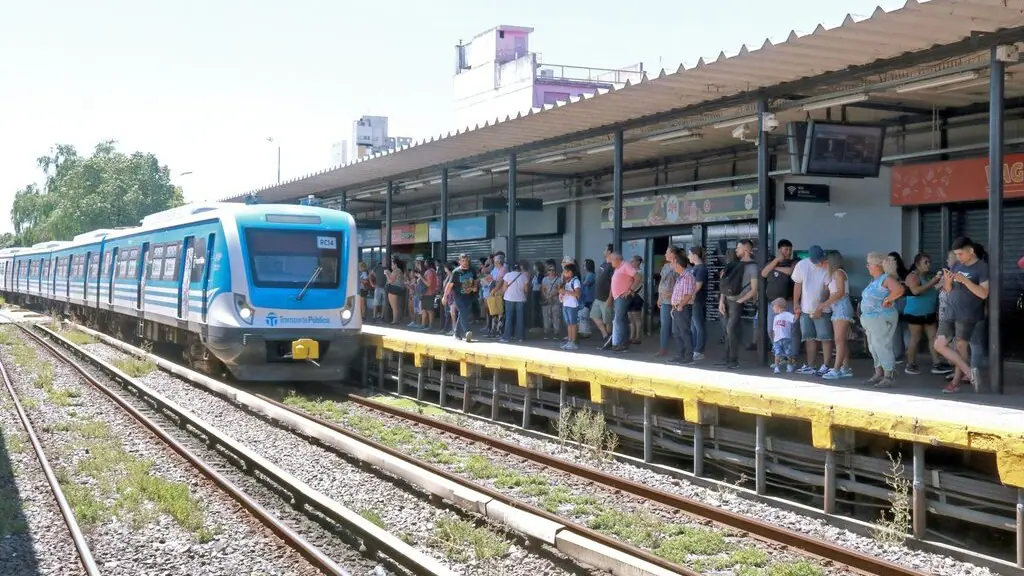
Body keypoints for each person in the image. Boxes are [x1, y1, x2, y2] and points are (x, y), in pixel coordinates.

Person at [934, 236, 989, 393]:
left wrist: (965, 281)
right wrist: (948, 280)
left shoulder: (982, 268)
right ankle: (969, 371)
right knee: (939, 344)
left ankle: (955, 383)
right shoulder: (957, 265)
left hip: (968, 313)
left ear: (971, 251)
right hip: (949, 311)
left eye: (961, 254)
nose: (958, 258)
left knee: (960, 346)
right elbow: (949, 289)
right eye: (956, 254)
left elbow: (984, 293)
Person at [860, 252, 905, 388]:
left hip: (881, 317)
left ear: (877, 266)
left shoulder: (885, 278)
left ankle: (888, 375)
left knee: (882, 345)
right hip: (872, 319)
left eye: (869, 264)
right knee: (874, 346)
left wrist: (888, 299)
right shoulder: (875, 280)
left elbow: (899, 289)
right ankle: (878, 373)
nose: (867, 266)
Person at [717, 240, 758, 370]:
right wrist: (721, 301)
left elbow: (754, 289)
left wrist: (741, 300)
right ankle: (726, 358)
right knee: (727, 330)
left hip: (737, 302)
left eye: (738, 248)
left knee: (731, 330)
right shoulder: (734, 264)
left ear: (746, 250)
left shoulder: (753, 267)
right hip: (727, 300)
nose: (736, 250)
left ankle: (733, 360)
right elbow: (725, 284)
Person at [792, 245, 833, 376]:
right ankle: (810, 365)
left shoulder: (827, 266)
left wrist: (820, 307)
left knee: (825, 338)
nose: (820, 263)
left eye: (821, 260)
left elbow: (827, 289)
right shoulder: (802, 265)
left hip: (823, 309)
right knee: (809, 338)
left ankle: (826, 365)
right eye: (817, 261)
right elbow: (797, 284)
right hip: (805, 308)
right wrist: (795, 303)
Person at [902, 253, 942, 375]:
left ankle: (937, 363)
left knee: (933, 338)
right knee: (915, 338)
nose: (928, 265)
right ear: (917, 264)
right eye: (925, 262)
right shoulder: (912, 276)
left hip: (929, 312)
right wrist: (934, 282)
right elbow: (915, 291)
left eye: (929, 262)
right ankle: (910, 364)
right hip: (915, 313)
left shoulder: (928, 276)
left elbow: (932, 291)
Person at [819, 251, 853, 380]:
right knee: (841, 340)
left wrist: (825, 304)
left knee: (839, 340)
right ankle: (845, 367)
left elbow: (840, 292)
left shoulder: (838, 273)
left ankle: (837, 368)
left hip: (841, 307)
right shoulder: (835, 274)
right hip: (838, 307)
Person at [761, 239, 798, 344]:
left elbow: (790, 271)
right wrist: (776, 262)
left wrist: (774, 268)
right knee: (771, 329)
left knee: (790, 329)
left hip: (788, 302)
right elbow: (764, 273)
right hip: (773, 303)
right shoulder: (771, 262)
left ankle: (791, 355)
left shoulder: (794, 261)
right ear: (779, 249)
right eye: (786, 249)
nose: (789, 252)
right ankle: (778, 352)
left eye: (790, 250)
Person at [604, 252, 638, 353]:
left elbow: (638, 277)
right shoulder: (618, 268)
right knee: (622, 320)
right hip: (617, 297)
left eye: (612, 260)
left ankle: (619, 344)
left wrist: (630, 290)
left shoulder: (626, 265)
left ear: (617, 259)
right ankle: (623, 343)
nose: (611, 263)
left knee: (618, 320)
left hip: (623, 297)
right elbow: (613, 284)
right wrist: (610, 298)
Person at [441, 254, 478, 342]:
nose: (465, 262)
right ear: (460, 261)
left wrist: (475, 287)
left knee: (462, 314)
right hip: (458, 297)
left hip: (469, 296)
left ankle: (456, 333)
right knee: (463, 312)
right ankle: (467, 332)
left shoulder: (472, 270)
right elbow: (449, 285)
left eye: (466, 260)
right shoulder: (456, 272)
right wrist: (444, 297)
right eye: (463, 261)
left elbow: (475, 280)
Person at [669, 255, 695, 364]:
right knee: (676, 333)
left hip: (683, 308)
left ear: (678, 264)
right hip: (677, 308)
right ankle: (680, 355)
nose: (672, 265)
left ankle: (689, 357)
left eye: (673, 263)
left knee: (684, 332)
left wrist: (680, 306)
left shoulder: (688, 276)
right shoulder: (680, 277)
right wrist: (674, 307)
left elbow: (688, 294)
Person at [656, 247, 681, 357]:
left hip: (676, 300)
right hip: (665, 301)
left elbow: (681, 284)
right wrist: (659, 297)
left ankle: (681, 350)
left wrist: (672, 294)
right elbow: (661, 282)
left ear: (672, 254)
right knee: (664, 325)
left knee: (677, 327)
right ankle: (663, 349)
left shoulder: (679, 266)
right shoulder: (665, 266)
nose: (665, 254)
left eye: (667, 252)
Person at [590, 245, 615, 344]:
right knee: (593, 315)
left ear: (609, 251)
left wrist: (610, 298)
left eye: (605, 249)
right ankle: (605, 335)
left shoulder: (611, 266)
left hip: (606, 298)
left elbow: (613, 283)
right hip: (598, 297)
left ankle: (611, 340)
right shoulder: (603, 264)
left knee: (607, 320)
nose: (603, 251)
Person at [687, 247, 709, 361]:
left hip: (697, 300)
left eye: (689, 254)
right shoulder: (695, 268)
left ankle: (699, 350)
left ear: (695, 255)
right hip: (693, 300)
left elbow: (697, 286)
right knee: (693, 326)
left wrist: (688, 296)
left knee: (698, 326)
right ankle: (695, 349)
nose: (688, 256)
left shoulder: (701, 269)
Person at [499, 261, 529, 343]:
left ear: (512, 269)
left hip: (509, 298)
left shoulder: (507, 275)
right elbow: (526, 290)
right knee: (520, 318)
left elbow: (504, 288)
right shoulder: (523, 277)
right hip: (520, 299)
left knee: (509, 317)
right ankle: (520, 337)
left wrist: (502, 293)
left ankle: (507, 337)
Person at [770, 297, 797, 374]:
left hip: (786, 337)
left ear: (778, 306)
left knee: (788, 353)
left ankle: (789, 365)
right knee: (777, 353)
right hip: (777, 339)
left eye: (774, 306)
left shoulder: (787, 314)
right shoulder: (775, 317)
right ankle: (777, 367)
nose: (773, 308)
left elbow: (794, 319)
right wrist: (774, 339)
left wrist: (797, 313)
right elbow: (774, 329)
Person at [559, 263, 582, 350]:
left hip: (572, 305)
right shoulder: (567, 281)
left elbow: (577, 294)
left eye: (566, 271)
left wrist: (565, 291)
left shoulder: (576, 281)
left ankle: (573, 342)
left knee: (573, 324)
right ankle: (569, 341)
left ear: (571, 272)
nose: (564, 273)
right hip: (566, 304)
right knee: (569, 324)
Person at [540, 259, 562, 340]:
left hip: (555, 300)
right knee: (546, 317)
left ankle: (556, 333)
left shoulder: (559, 279)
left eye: (553, 270)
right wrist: (546, 296)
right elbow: (542, 289)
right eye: (550, 270)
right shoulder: (544, 279)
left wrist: (551, 295)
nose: (552, 271)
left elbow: (559, 289)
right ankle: (547, 332)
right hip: (546, 300)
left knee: (556, 317)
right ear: (547, 271)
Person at [627, 255, 645, 345]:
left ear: (638, 262)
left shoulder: (639, 272)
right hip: (631, 295)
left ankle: (638, 337)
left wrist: (631, 290)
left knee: (636, 317)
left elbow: (637, 284)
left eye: (633, 261)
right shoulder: (633, 272)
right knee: (631, 317)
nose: (631, 262)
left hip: (637, 296)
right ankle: (631, 336)